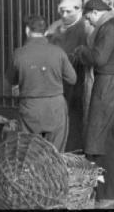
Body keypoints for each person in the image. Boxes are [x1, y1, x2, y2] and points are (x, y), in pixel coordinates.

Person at [72, 0, 114, 207]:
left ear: (96, 12)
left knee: (98, 136)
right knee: (113, 137)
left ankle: (106, 193)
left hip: (108, 86)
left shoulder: (109, 28)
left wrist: (81, 51)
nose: (90, 22)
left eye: (89, 18)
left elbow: (99, 58)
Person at [7, 15, 77, 152]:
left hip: (30, 107)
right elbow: (72, 79)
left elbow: (11, 80)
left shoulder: (18, 54)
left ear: (27, 30)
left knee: (31, 152)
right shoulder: (58, 52)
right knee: (55, 153)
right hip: (55, 107)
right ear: (45, 32)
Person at [46, 0, 93, 151]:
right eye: (62, 12)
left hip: (78, 77)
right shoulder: (56, 26)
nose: (64, 15)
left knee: (75, 115)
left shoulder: (86, 27)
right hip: (57, 79)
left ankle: (74, 149)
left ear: (78, 10)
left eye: (68, 12)